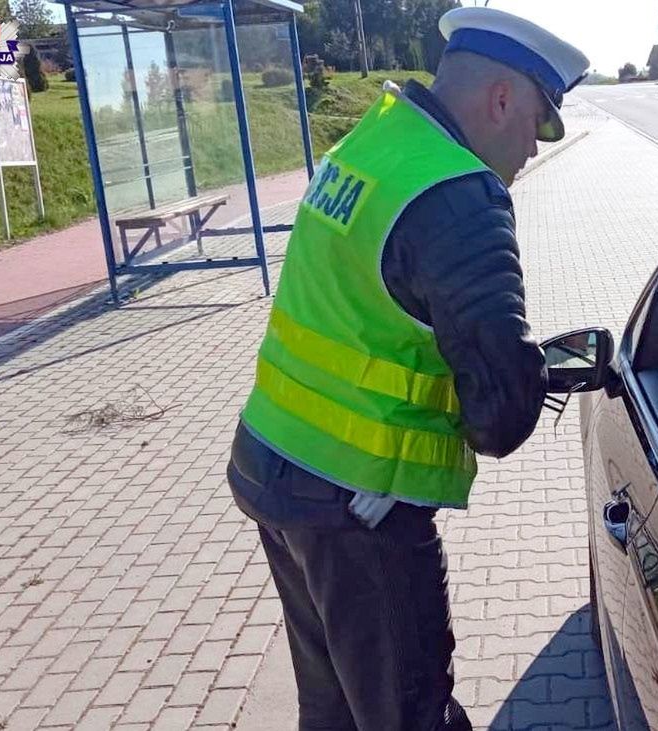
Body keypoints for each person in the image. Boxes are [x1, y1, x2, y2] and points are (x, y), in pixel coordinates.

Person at [224, 8, 589, 730]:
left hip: (275, 463)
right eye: (537, 126)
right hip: (360, 506)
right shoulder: (461, 196)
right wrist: (533, 374)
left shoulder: (377, 138)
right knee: (411, 713)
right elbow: (500, 419)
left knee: (332, 707)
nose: (533, 150)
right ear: (502, 99)